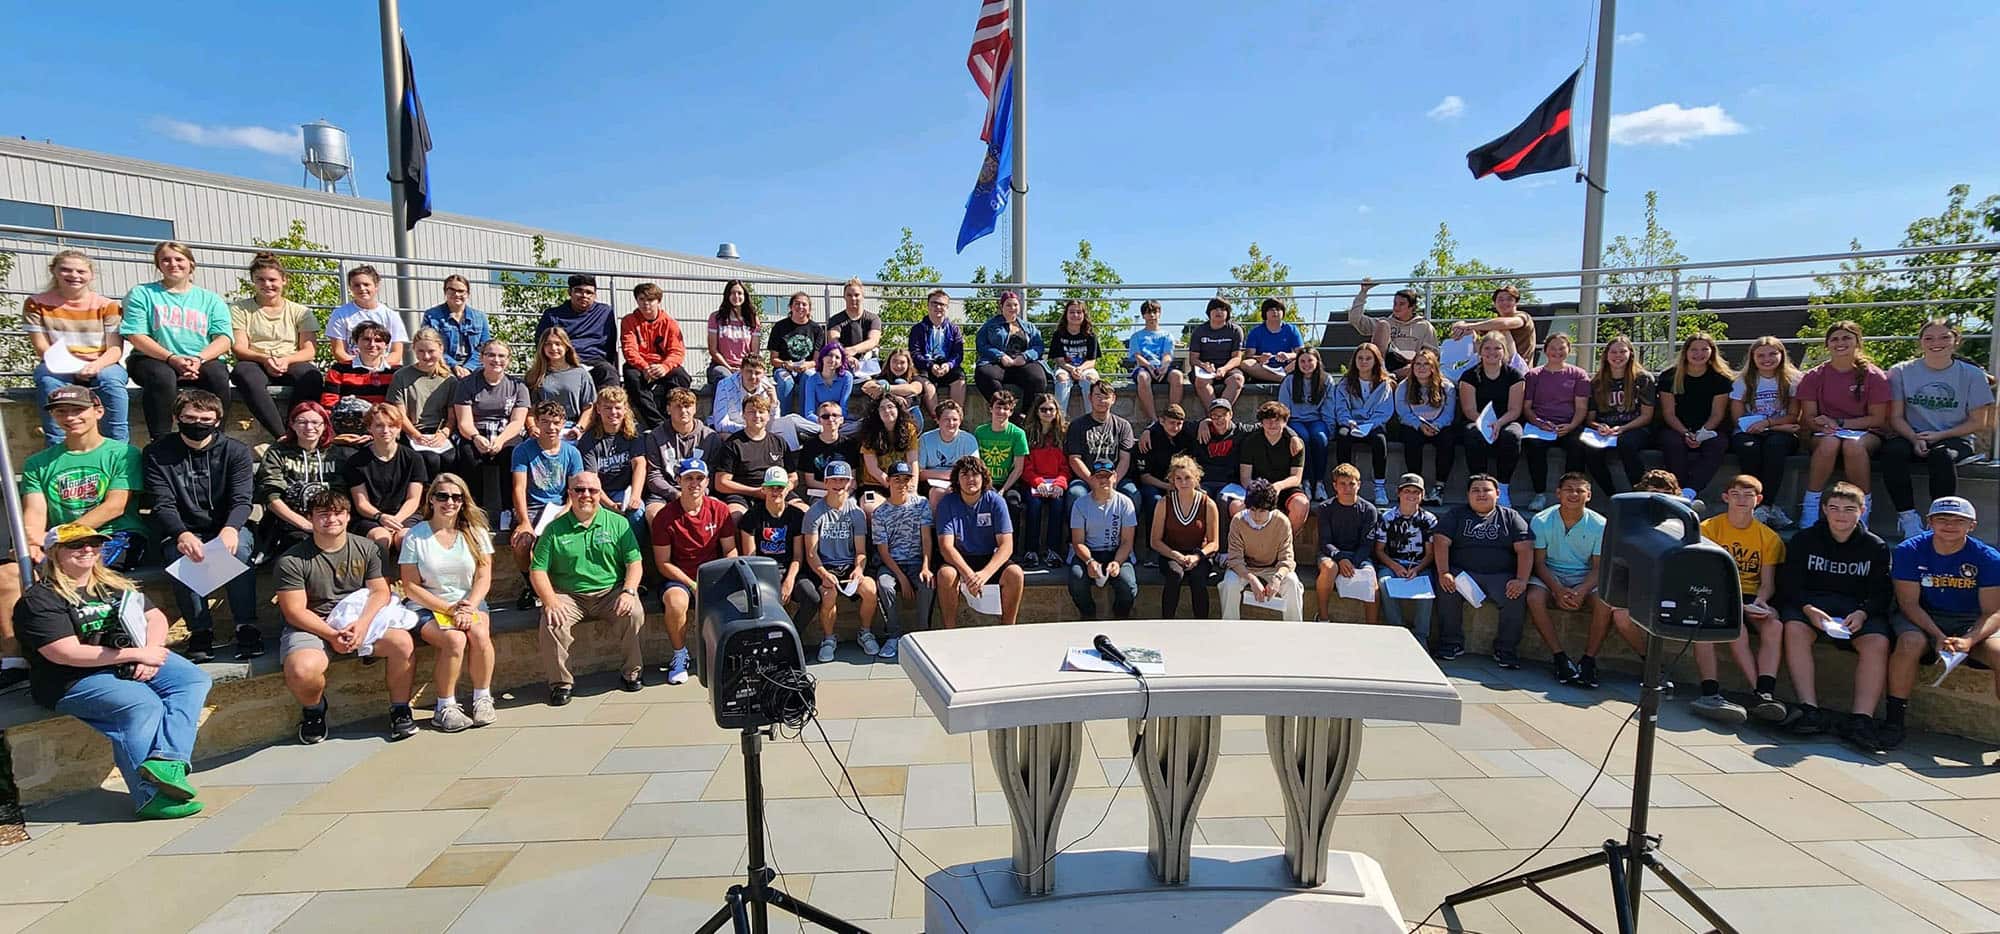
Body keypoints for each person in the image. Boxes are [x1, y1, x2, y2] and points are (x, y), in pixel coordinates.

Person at [15, 524, 211, 819]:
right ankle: (149, 797)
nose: (87, 550)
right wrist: (137, 654)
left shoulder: (113, 584)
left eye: (94, 543)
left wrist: (150, 653)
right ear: (55, 554)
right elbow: (65, 653)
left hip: (129, 659)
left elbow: (154, 616)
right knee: (141, 704)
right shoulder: (40, 600)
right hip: (72, 678)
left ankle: (167, 760)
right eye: (76, 545)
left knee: (192, 679)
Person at [275, 489, 420, 743]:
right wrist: (332, 634)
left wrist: (362, 626)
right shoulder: (291, 560)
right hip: (314, 626)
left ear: (348, 516)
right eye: (322, 514)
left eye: (338, 513)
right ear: (310, 518)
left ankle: (400, 710)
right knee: (301, 670)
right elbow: (294, 611)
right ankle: (314, 710)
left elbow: (380, 592)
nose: (331, 519)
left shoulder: (368, 549)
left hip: (360, 621)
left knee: (402, 643)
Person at [143, 390, 259, 661]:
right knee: (180, 554)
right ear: (176, 418)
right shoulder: (157, 453)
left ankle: (246, 625)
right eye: (189, 418)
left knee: (239, 550)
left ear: (217, 420)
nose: (197, 424)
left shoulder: (236, 451)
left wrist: (230, 529)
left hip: (227, 526)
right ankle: (200, 630)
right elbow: (162, 503)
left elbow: (242, 500)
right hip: (182, 528)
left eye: (205, 419)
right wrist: (181, 533)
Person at [1885, 496, 2000, 752]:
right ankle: (1894, 720)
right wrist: (1938, 635)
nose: (1950, 525)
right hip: (1923, 615)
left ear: (1972, 526)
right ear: (1929, 522)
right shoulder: (1909, 550)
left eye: (1959, 521)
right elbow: (1908, 603)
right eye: (1942, 519)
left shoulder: (1988, 558)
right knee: (1909, 643)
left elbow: (1993, 611)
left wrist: (1969, 640)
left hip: (1970, 621)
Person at [1778, 482, 1892, 738]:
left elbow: (1881, 593)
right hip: (1812, 604)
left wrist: (1863, 613)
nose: (1841, 515)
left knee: (1877, 642)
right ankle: (1809, 708)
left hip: (1856, 609)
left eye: (1849, 509)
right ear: (1824, 510)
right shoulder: (1804, 540)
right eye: (1835, 508)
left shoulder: (1876, 546)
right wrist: (1808, 609)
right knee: (1794, 629)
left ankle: (1861, 718)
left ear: (1862, 511)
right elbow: (1789, 584)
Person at [532, 472, 647, 704]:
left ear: (599, 494)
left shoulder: (618, 523)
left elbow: (634, 563)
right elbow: (538, 570)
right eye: (580, 490)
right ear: (570, 493)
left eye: (592, 491)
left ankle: (632, 673)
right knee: (552, 619)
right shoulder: (554, 529)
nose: (586, 495)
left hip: (610, 592)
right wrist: (550, 600)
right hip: (568, 595)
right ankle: (561, 683)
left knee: (633, 612)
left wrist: (628, 591)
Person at [398, 473, 498, 732]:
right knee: (455, 640)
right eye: (442, 496)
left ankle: (482, 697)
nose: (449, 502)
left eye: (456, 497)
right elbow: (410, 586)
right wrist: (450, 609)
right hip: (427, 607)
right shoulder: (415, 536)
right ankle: (445, 706)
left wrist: (469, 606)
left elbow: (484, 576)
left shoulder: (476, 532)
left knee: (478, 633)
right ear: (431, 499)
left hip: (469, 603)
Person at [1883, 320, 1996, 540]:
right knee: (1892, 452)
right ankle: (1908, 519)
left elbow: (1978, 422)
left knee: (1941, 456)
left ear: (1956, 341)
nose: (1937, 343)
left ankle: (1940, 521)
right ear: (1920, 343)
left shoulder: (1972, 374)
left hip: (1954, 437)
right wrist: (1914, 438)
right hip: (1911, 434)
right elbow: (1895, 416)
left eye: (1944, 337)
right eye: (1929, 338)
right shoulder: (1900, 371)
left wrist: (1939, 436)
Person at [1575, 470, 1685, 688]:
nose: (1660, 498)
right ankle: (1588, 661)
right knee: (1606, 600)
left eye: (1666, 493)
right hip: (1631, 580)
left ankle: (1652, 666)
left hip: (1664, 585)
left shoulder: (1682, 521)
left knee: (1623, 616)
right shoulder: (1629, 518)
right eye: (1653, 492)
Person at [1692, 475, 1788, 724]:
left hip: (1750, 594)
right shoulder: (1708, 529)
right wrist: (1737, 605)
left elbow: (1766, 583)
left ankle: (1765, 690)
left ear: (1759, 500)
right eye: (1736, 494)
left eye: (1748, 495)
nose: (1742, 500)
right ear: (1725, 497)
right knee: (1736, 630)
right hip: (1716, 591)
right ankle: (1717, 692)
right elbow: (1705, 573)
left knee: (1774, 625)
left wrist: (1762, 602)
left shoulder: (1769, 537)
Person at [20, 387, 148, 572]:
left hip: (113, 535)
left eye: (78, 410)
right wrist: (32, 543)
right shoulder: (37, 463)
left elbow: (115, 506)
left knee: (71, 568)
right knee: (10, 573)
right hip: (63, 544)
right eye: (61, 412)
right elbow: (34, 513)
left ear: (98, 412)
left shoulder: (124, 454)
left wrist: (62, 536)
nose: (70, 417)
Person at [120, 241, 233, 438]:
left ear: (191, 264)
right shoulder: (141, 293)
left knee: (218, 375)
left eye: (179, 259)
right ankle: (160, 440)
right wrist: (171, 358)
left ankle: (216, 437)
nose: (173, 264)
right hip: (151, 359)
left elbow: (224, 338)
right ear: (158, 265)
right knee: (162, 377)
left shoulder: (211, 299)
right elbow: (135, 335)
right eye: (166, 260)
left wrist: (198, 359)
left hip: (200, 359)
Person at [26, 250, 128, 443]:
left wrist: (95, 366)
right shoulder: (36, 303)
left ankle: (118, 446)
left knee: (112, 382)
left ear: (91, 275)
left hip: (101, 363)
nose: (74, 276)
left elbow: (115, 348)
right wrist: (72, 367)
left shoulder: (108, 305)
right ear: (53, 271)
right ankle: (56, 447)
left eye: (81, 271)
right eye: (66, 270)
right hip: (57, 364)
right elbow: (40, 345)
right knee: (48, 382)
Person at [652, 459, 739, 686]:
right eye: (689, 478)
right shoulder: (665, 516)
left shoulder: (719, 509)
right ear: (679, 481)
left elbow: (730, 549)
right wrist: (692, 584)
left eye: (699, 478)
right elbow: (663, 563)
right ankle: (680, 656)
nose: (694, 483)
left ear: (707, 481)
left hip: (713, 574)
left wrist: (726, 577)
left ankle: (728, 656)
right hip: (680, 578)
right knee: (675, 602)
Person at [1795, 320, 1890, 528]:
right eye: (1834, 339)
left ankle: (1862, 510)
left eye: (1846, 337)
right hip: (1825, 434)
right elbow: (1808, 418)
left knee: (1853, 447)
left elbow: (1878, 419)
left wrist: (1839, 423)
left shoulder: (1874, 376)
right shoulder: (1814, 376)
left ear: (1858, 342)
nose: (1840, 343)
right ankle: (1810, 508)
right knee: (1830, 443)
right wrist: (1822, 425)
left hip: (1865, 434)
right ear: (1827, 345)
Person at [1433, 474, 1533, 665]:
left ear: (1497, 493)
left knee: (1516, 594)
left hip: (1500, 575)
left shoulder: (1510, 516)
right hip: (1462, 573)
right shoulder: (1455, 514)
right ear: (1468, 495)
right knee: (1446, 588)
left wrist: (1521, 579)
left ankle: (1506, 650)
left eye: (1486, 490)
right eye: (1475, 490)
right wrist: (1443, 572)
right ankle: (1450, 643)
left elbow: (1525, 548)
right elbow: (1441, 542)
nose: (1481, 494)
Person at [1525, 472, 1611, 685]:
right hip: (1550, 573)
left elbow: (1599, 567)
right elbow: (1539, 563)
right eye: (1568, 489)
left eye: (1580, 490)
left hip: (1585, 575)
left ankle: (1588, 660)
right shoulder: (1542, 520)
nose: (1574, 494)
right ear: (1558, 493)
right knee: (1534, 598)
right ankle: (1559, 658)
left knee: (1605, 603)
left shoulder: (1600, 524)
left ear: (1588, 495)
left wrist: (1581, 590)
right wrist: (1557, 589)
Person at [229, 252, 324, 440]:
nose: (267, 285)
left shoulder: (300, 311)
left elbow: (309, 349)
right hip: (256, 359)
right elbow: (239, 348)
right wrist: (265, 359)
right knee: (243, 374)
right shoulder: (239, 309)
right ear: (253, 282)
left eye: (272, 279)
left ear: (284, 280)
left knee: (311, 376)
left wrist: (286, 360)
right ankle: (281, 434)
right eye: (260, 280)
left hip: (290, 359)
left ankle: (294, 426)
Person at [935, 456, 1027, 627]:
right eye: (965, 475)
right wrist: (970, 575)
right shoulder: (947, 503)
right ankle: (949, 630)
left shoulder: (995, 501)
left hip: (988, 558)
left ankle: (1008, 628)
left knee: (1015, 573)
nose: (971, 479)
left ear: (983, 477)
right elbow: (946, 546)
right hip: (960, 558)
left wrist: (984, 574)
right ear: (957, 479)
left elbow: (1006, 546)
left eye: (975, 474)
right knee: (945, 575)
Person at [509, 401, 584, 608]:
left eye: (556, 423)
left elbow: (575, 488)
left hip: (560, 505)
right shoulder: (523, 451)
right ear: (538, 423)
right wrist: (524, 521)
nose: (551, 428)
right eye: (545, 422)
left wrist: (567, 510)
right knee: (522, 543)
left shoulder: (571, 453)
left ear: (563, 424)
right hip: (533, 506)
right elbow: (518, 487)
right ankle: (531, 585)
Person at [737, 466, 819, 649]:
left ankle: (791, 641)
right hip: (763, 572)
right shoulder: (752, 517)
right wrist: (769, 585)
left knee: (812, 597)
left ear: (786, 489)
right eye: (772, 487)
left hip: (791, 570)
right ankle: (766, 643)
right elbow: (751, 558)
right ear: (764, 489)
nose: (776, 492)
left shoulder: (796, 515)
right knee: (762, 602)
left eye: (780, 487)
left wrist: (789, 581)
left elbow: (798, 555)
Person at [803, 461, 878, 660]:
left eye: (843, 479)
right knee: (828, 596)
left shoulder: (856, 513)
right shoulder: (813, 513)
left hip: (849, 566)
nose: (838, 484)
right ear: (825, 482)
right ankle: (828, 638)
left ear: (850, 483)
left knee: (870, 589)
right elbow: (811, 554)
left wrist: (859, 569)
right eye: (834, 479)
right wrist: (824, 574)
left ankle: (865, 631)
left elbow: (861, 551)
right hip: (824, 566)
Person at [1728, 336, 1804, 529]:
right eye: (1760, 355)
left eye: (1772, 354)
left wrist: (1770, 425)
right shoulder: (1743, 381)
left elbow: (1794, 415)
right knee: (1749, 449)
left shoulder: (1793, 379)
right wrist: (1763, 426)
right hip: (1749, 430)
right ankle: (1760, 505)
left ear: (1782, 355)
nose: (1766, 359)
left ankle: (1765, 506)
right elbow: (1738, 418)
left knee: (1775, 447)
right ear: (1752, 357)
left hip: (1780, 431)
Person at [1655, 333, 1736, 506]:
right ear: (1685, 352)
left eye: (1704, 349)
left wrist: (1700, 434)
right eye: (1694, 349)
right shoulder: (1669, 377)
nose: (1698, 354)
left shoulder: (1721, 379)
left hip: (1708, 428)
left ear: (1712, 352)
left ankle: (1689, 492)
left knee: (1718, 443)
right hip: (1676, 427)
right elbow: (1669, 413)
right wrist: (1685, 433)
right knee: (1672, 442)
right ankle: (1678, 490)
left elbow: (1717, 414)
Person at [452, 340, 531, 517]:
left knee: (512, 455)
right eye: (491, 355)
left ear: (508, 360)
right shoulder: (466, 384)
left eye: (501, 356)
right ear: (482, 358)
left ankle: (508, 510)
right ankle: (473, 510)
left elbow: (518, 421)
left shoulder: (518, 386)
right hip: (476, 432)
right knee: (469, 457)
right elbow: (464, 422)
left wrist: (501, 440)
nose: (496, 360)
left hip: (506, 433)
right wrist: (475, 437)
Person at [257, 402, 341, 562]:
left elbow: (343, 494)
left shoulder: (335, 453)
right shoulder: (278, 452)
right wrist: (305, 524)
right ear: (292, 425)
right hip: (287, 524)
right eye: (302, 422)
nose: (309, 427)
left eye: (316, 422)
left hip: (330, 520)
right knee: (303, 545)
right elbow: (271, 496)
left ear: (325, 426)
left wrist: (327, 522)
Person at [345, 404, 431, 561]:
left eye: (391, 426)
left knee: (406, 537)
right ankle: (381, 580)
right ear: (369, 428)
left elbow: (413, 499)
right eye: (379, 425)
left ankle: (411, 582)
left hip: (405, 514)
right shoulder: (356, 461)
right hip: (371, 517)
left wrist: (396, 520)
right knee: (381, 538)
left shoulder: (413, 458)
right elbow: (361, 503)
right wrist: (381, 517)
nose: (385, 431)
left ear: (399, 428)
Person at [1520, 332, 1590, 513]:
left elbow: (1581, 407)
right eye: (1552, 348)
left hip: (1569, 424)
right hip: (1541, 426)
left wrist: (1571, 426)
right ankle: (1539, 493)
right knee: (1533, 445)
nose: (1557, 352)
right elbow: (1527, 407)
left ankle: (1572, 493)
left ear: (1569, 350)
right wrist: (1539, 423)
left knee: (1577, 445)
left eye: (1561, 348)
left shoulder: (1578, 375)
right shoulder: (1533, 375)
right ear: (1545, 350)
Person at [871, 462, 934, 659]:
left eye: (906, 479)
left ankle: (924, 635)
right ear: (888, 482)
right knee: (885, 584)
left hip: (916, 561)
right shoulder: (879, 513)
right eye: (897, 479)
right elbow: (883, 551)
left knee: (927, 583)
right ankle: (894, 635)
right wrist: (902, 578)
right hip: (891, 565)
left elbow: (926, 539)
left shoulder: (921, 504)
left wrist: (926, 566)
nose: (901, 484)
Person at [1457, 333, 1526, 508]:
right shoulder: (1469, 376)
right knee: (1473, 433)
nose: (1492, 352)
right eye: (1487, 348)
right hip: (1478, 419)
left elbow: (1515, 409)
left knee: (1512, 435)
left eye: (1497, 348)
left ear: (1504, 351)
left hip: (1506, 420)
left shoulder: (1514, 375)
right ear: (1480, 351)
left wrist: (1499, 423)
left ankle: (1502, 488)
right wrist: (1485, 423)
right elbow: (1469, 409)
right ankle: (1479, 486)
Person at [1219, 480, 1304, 621]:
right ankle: (1229, 626)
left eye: (1262, 511)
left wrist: (1277, 578)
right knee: (1229, 583)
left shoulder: (1282, 522)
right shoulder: (1238, 521)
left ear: (1271, 508)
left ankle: (1294, 629)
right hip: (1245, 568)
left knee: (1292, 583)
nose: (1257, 516)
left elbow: (1287, 558)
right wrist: (1251, 578)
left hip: (1272, 568)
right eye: (1253, 510)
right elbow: (1234, 559)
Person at [1065, 460, 1139, 618]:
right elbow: (1078, 542)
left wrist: (1117, 563)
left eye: (1107, 476)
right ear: (1091, 479)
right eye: (1099, 476)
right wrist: (1089, 561)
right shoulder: (1080, 504)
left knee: (1128, 586)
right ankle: (1088, 614)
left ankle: (1120, 616)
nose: (1103, 480)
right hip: (1089, 553)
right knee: (1077, 580)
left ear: (1115, 477)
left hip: (1117, 552)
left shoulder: (1126, 504)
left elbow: (1127, 542)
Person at [1582, 335, 1656, 495]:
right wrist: (1599, 426)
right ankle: (1611, 494)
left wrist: (1623, 428)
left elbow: (1646, 416)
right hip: (1606, 432)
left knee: (1626, 444)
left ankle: (1640, 493)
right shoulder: (1597, 382)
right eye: (1613, 352)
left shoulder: (1643, 379)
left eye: (1622, 351)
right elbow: (1590, 419)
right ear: (1606, 355)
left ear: (1630, 353)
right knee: (1590, 450)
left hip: (1635, 428)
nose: (1618, 356)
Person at [1374, 473, 1440, 645]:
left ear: (1422, 495)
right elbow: (1380, 551)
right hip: (1392, 563)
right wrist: (1395, 567)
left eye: (1416, 492)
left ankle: (1421, 636)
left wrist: (1416, 570)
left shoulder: (1429, 520)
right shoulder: (1387, 518)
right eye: (1407, 491)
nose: (1411, 495)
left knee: (1427, 590)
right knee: (1384, 582)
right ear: (1399, 493)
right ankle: (1396, 630)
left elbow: (1430, 553)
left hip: (1419, 565)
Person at [1152, 454, 1220, 617]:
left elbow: (1214, 543)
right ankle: (1166, 621)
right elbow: (1155, 541)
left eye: (1188, 478)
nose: (1183, 483)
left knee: (1198, 578)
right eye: (1178, 478)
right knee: (1175, 574)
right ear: (1172, 480)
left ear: (1196, 478)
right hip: (1172, 553)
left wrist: (1196, 557)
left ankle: (1202, 624)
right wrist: (1176, 555)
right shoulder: (1164, 503)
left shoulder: (1208, 504)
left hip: (1199, 554)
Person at [388, 327, 460, 479]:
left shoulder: (449, 380)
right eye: (421, 351)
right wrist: (416, 435)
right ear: (414, 350)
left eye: (431, 351)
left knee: (451, 458)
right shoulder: (401, 376)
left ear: (441, 349)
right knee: (430, 459)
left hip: (439, 432)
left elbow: (452, 416)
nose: (426, 356)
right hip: (413, 432)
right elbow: (399, 414)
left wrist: (444, 433)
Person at [619, 282, 693, 428]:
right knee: (631, 376)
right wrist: (645, 367)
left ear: (658, 301)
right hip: (640, 366)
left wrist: (665, 367)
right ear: (637, 300)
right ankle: (656, 424)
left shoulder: (670, 323)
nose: (646, 304)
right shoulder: (629, 321)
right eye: (642, 299)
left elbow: (677, 351)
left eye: (650, 300)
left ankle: (670, 417)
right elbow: (629, 349)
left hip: (663, 364)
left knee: (681, 376)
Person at [579, 387, 649, 540]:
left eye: (618, 407)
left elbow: (639, 464)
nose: (613, 412)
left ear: (625, 409)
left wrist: (635, 496)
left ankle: (635, 555)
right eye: (607, 408)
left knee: (637, 512)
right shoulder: (588, 440)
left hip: (625, 491)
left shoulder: (634, 433)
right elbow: (591, 478)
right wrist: (610, 505)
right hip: (598, 493)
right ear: (598, 409)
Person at [641, 388, 720, 523]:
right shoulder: (655, 436)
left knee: (717, 510)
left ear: (695, 408)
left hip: (700, 491)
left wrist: (700, 492)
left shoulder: (710, 437)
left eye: (687, 406)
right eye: (678, 406)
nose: (683, 411)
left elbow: (713, 473)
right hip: (665, 493)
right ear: (668, 409)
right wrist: (676, 494)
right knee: (654, 515)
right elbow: (654, 475)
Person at [1314, 464, 1381, 624]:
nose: (1347, 488)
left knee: (1373, 587)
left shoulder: (1369, 510)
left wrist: (1353, 562)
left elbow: (1367, 544)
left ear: (1359, 485)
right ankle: (1323, 618)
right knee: (1330, 568)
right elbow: (1325, 541)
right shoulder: (1325, 508)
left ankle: (1372, 627)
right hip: (1331, 553)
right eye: (1342, 484)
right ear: (1335, 486)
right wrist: (1341, 557)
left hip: (1359, 555)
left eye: (1351, 483)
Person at [1394, 347, 1459, 507]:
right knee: (1411, 439)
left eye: (1426, 364)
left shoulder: (1446, 387)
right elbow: (1403, 413)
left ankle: (1439, 487)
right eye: (1417, 364)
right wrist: (1419, 425)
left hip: (1438, 425)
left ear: (1433, 367)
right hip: (1414, 425)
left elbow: (1449, 414)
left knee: (1448, 440)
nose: (1421, 367)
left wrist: (1436, 425)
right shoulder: (1404, 386)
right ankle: (1415, 483)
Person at [1333, 343, 1397, 506]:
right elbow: (1340, 408)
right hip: (1350, 424)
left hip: (1374, 425)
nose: (1363, 362)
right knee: (1342, 436)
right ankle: (1343, 483)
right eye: (1360, 358)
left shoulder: (1384, 384)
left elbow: (1385, 411)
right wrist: (1349, 422)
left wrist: (1369, 425)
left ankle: (1379, 486)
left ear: (1376, 361)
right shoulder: (1345, 383)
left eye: (1368, 358)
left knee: (1379, 441)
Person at [320, 320, 399, 450]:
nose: (372, 344)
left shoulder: (396, 372)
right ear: (356, 342)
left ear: (386, 345)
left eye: (378, 340)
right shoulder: (339, 369)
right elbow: (329, 405)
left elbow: (398, 409)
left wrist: (376, 433)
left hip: (384, 431)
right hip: (347, 432)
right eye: (366, 339)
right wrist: (338, 435)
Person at [711, 396, 794, 517]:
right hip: (743, 494)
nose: (757, 416)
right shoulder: (733, 444)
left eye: (761, 411)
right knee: (734, 517)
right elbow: (721, 483)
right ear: (743, 415)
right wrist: (754, 492)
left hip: (778, 491)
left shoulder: (779, 442)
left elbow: (793, 476)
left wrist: (786, 488)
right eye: (751, 412)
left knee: (803, 510)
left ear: (768, 415)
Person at [1237, 400, 1311, 531]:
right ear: (1261, 422)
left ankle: (1287, 543)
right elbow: (1245, 477)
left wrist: (1278, 486)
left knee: (1301, 505)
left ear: (1285, 422)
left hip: (1286, 488)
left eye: (1277, 420)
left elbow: (1296, 477)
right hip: (1258, 487)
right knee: (1237, 506)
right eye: (1268, 420)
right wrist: (1260, 491)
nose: (1272, 424)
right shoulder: (1250, 441)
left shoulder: (1295, 443)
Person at [1019, 394, 1072, 569]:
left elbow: (1066, 466)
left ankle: (1053, 550)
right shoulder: (1027, 434)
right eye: (1043, 409)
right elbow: (1025, 466)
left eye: (1051, 409)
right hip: (1033, 483)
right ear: (1036, 411)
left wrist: (1060, 484)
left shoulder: (1063, 435)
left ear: (1057, 411)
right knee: (1034, 506)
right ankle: (1031, 550)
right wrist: (1037, 482)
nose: (1047, 413)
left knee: (1058, 504)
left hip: (1056, 483)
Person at [537, 274, 618, 386]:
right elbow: (541, 342)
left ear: (595, 295)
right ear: (570, 292)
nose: (584, 295)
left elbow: (611, 343)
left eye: (589, 292)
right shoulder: (553, 314)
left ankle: (608, 403)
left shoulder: (605, 312)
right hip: (564, 359)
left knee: (609, 373)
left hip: (595, 360)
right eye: (579, 291)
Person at [1344, 278, 1437, 374]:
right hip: (1385, 363)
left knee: (1417, 367)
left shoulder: (1424, 326)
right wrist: (1363, 292)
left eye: (1401, 304)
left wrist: (1414, 364)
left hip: (1410, 368)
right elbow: (1355, 319)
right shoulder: (1386, 322)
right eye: (1395, 303)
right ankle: (1380, 370)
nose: (1396, 307)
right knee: (1383, 324)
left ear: (1412, 307)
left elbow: (1432, 354)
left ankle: (1388, 378)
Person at [1279, 348, 1337, 499]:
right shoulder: (1289, 381)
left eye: (1310, 360)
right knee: (1302, 438)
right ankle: (1305, 481)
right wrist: (1286, 431)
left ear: (1317, 362)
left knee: (1320, 438)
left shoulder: (1327, 380)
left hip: (1317, 420)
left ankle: (1319, 483)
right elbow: (1284, 410)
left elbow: (1329, 409)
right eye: (1302, 361)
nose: (1306, 364)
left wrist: (1330, 430)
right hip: (1295, 421)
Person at [974, 290, 1049, 404]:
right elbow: (981, 345)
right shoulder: (990, 325)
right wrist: (1000, 356)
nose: (1012, 308)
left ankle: (1026, 415)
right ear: (1001, 307)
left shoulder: (1028, 327)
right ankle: (1004, 407)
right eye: (1008, 305)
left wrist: (1025, 356)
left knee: (1038, 378)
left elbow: (1038, 346)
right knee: (984, 374)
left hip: (1022, 363)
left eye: (1015, 305)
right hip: (997, 363)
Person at [325, 265, 408, 365]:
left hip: (384, 368)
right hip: (353, 368)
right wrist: (361, 365)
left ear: (376, 286)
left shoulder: (391, 315)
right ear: (350, 288)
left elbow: (396, 353)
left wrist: (377, 366)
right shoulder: (340, 314)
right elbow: (339, 352)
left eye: (366, 284)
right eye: (356, 285)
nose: (362, 288)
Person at [526, 326, 597, 437]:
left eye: (558, 344)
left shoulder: (581, 374)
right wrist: (533, 428)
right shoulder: (534, 375)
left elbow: (589, 408)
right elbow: (530, 410)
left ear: (566, 346)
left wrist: (579, 429)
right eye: (548, 344)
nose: (553, 348)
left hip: (572, 428)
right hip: (543, 428)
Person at [1448, 285, 1537, 370]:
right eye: (1500, 299)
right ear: (1495, 303)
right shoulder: (1494, 323)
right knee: (1471, 333)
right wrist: (1460, 327)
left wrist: (1468, 325)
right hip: (1496, 367)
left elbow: (1504, 324)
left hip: (1518, 368)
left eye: (1509, 299)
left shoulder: (1523, 317)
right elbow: (1479, 329)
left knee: (1502, 329)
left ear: (1516, 302)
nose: (1505, 302)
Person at [909, 289, 967, 417]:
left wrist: (949, 365)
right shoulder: (918, 329)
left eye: (942, 304)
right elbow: (915, 353)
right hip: (926, 366)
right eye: (934, 303)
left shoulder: (954, 329)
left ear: (947, 307)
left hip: (946, 365)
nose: (938, 307)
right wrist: (929, 365)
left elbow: (958, 354)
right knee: (928, 387)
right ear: (928, 305)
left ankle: (956, 417)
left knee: (960, 378)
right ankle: (938, 420)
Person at [857, 394, 921, 510]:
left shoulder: (909, 429)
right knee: (870, 507)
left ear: (898, 409)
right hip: (875, 484)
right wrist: (893, 486)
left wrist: (913, 487)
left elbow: (913, 461)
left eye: (890, 406)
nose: (887, 410)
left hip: (902, 482)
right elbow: (873, 469)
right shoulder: (869, 432)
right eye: (882, 408)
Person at [421, 274, 491, 377]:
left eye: (461, 291)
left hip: (474, 367)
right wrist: (453, 365)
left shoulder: (480, 317)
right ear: (445, 292)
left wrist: (468, 367)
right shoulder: (431, 316)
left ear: (467, 294)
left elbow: (485, 346)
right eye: (452, 290)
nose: (456, 294)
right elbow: (431, 346)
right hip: (442, 365)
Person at [768, 292, 828, 412]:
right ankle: (784, 419)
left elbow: (817, 360)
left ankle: (806, 418)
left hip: (807, 367)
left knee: (809, 377)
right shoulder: (779, 327)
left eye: (804, 304)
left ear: (809, 309)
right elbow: (773, 359)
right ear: (790, 307)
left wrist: (807, 365)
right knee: (786, 382)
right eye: (797, 304)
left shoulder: (817, 329)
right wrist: (786, 364)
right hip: (784, 368)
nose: (800, 307)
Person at [971, 390, 1030, 511]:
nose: (1001, 412)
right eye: (998, 407)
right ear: (991, 409)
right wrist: (986, 485)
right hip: (985, 482)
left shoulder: (1018, 434)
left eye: (1005, 408)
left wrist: (1003, 490)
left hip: (1009, 483)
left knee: (1013, 503)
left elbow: (1018, 468)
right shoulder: (980, 432)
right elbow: (976, 462)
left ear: (1011, 411)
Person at [1127, 299, 1183, 424]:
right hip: (1144, 367)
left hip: (1162, 366)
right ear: (1143, 316)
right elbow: (1137, 356)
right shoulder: (1136, 336)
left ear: (1159, 314)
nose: (1152, 315)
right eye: (1148, 313)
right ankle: (1153, 419)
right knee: (1142, 377)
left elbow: (1167, 354)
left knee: (1177, 376)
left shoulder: (1167, 335)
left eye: (1154, 312)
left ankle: (1172, 415)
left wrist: (1164, 366)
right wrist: (1149, 367)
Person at [920, 401, 981, 511]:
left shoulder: (969, 440)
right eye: (946, 419)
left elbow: (974, 470)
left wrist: (953, 477)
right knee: (938, 493)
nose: (951, 423)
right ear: (937, 420)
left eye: (955, 419)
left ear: (960, 421)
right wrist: (948, 474)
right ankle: (936, 527)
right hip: (931, 483)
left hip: (961, 480)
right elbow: (919, 473)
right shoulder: (925, 439)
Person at [1187, 297, 1247, 407]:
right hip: (1205, 370)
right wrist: (1204, 366)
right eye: (1215, 309)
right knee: (1200, 381)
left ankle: (1223, 412)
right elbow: (1193, 359)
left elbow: (1237, 358)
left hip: (1228, 368)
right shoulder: (1199, 331)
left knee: (1238, 380)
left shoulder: (1235, 330)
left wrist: (1224, 369)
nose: (1219, 312)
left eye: (1223, 309)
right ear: (1209, 312)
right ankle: (1214, 414)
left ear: (1228, 313)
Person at [796, 399, 861, 498]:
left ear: (841, 420)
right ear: (819, 420)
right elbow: (810, 481)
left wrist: (842, 492)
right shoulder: (809, 446)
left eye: (835, 415)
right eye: (825, 416)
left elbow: (852, 478)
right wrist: (833, 489)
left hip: (845, 492)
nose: (830, 419)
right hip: (820, 493)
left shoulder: (849, 445)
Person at [1048, 299, 1103, 415]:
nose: (1075, 315)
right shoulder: (1058, 335)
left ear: (1084, 315)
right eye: (1072, 312)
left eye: (1079, 312)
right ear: (1066, 314)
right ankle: (1060, 419)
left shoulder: (1090, 335)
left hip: (1085, 368)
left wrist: (1080, 369)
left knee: (1092, 380)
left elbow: (1092, 361)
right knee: (1062, 379)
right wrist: (1072, 369)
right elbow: (1059, 360)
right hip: (1065, 368)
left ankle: (1092, 417)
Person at [708, 354, 782, 436]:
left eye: (757, 373)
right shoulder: (724, 385)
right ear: (741, 371)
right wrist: (749, 430)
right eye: (749, 371)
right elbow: (720, 424)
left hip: (757, 432)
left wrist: (774, 403)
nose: (753, 376)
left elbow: (774, 426)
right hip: (733, 431)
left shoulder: (768, 389)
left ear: (764, 374)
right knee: (724, 435)